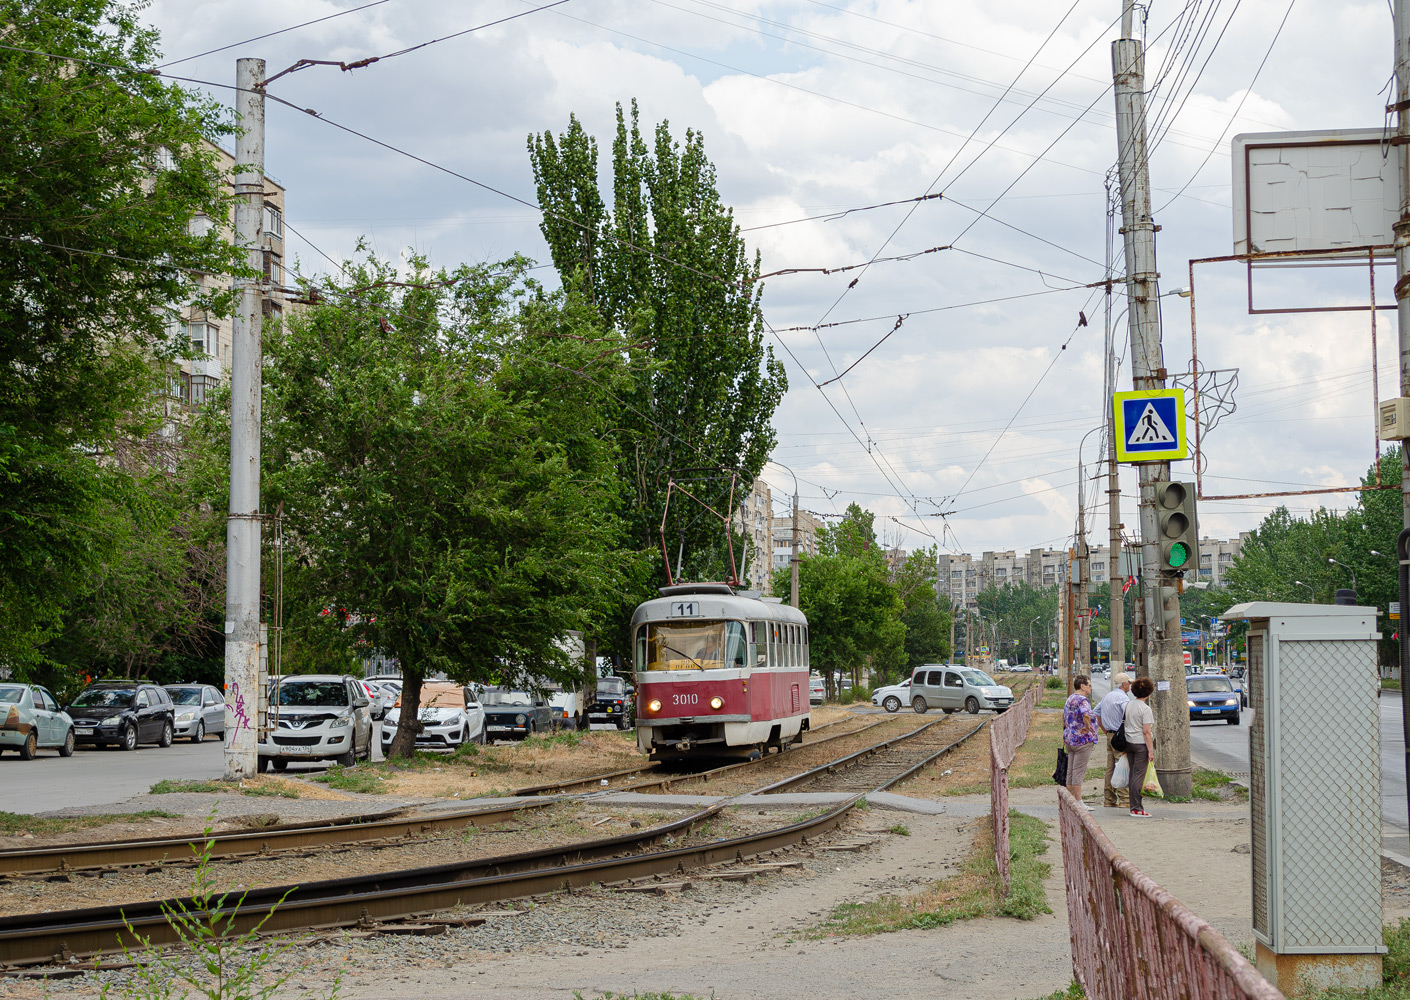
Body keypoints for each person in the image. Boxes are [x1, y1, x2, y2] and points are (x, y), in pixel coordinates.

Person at [1096, 672, 1133, 808]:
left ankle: (1109, 798)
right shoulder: (1123, 699)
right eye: (1128, 683)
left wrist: (1105, 730)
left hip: (1110, 735)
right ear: (1124, 684)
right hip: (1120, 736)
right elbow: (1128, 714)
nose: (1129, 686)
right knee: (1122, 764)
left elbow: (1095, 712)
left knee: (1110, 767)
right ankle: (1124, 799)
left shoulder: (1108, 696)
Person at [1062, 674, 1099, 810]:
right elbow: (1086, 714)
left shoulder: (1070, 698)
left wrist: (1066, 733)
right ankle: (1078, 801)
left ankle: (1070, 801)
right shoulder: (1083, 700)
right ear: (1082, 686)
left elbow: (1064, 718)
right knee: (1079, 771)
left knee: (1071, 771)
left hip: (1070, 739)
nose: (1090, 688)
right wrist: (1088, 727)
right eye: (1089, 685)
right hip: (1082, 740)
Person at [1124, 677, 1156, 818]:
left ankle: (1133, 806)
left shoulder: (1129, 704)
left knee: (1133, 775)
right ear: (1149, 693)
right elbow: (1146, 732)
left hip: (1129, 742)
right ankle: (1136, 808)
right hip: (1140, 744)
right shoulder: (1145, 709)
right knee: (1138, 777)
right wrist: (1150, 751)